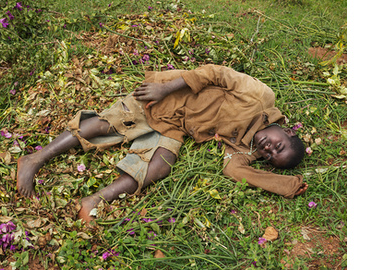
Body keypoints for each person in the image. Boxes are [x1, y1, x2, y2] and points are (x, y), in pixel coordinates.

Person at [16, 64, 308, 224]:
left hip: (178, 126)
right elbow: (216, 73)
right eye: (277, 146)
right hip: (171, 96)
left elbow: (234, 169)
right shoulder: (261, 98)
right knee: (111, 123)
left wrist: (285, 185)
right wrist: (165, 87)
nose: (268, 150)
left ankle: (93, 201)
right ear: (286, 131)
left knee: (159, 167)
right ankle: (35, 159)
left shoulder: (247, 146)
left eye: (270, 157)